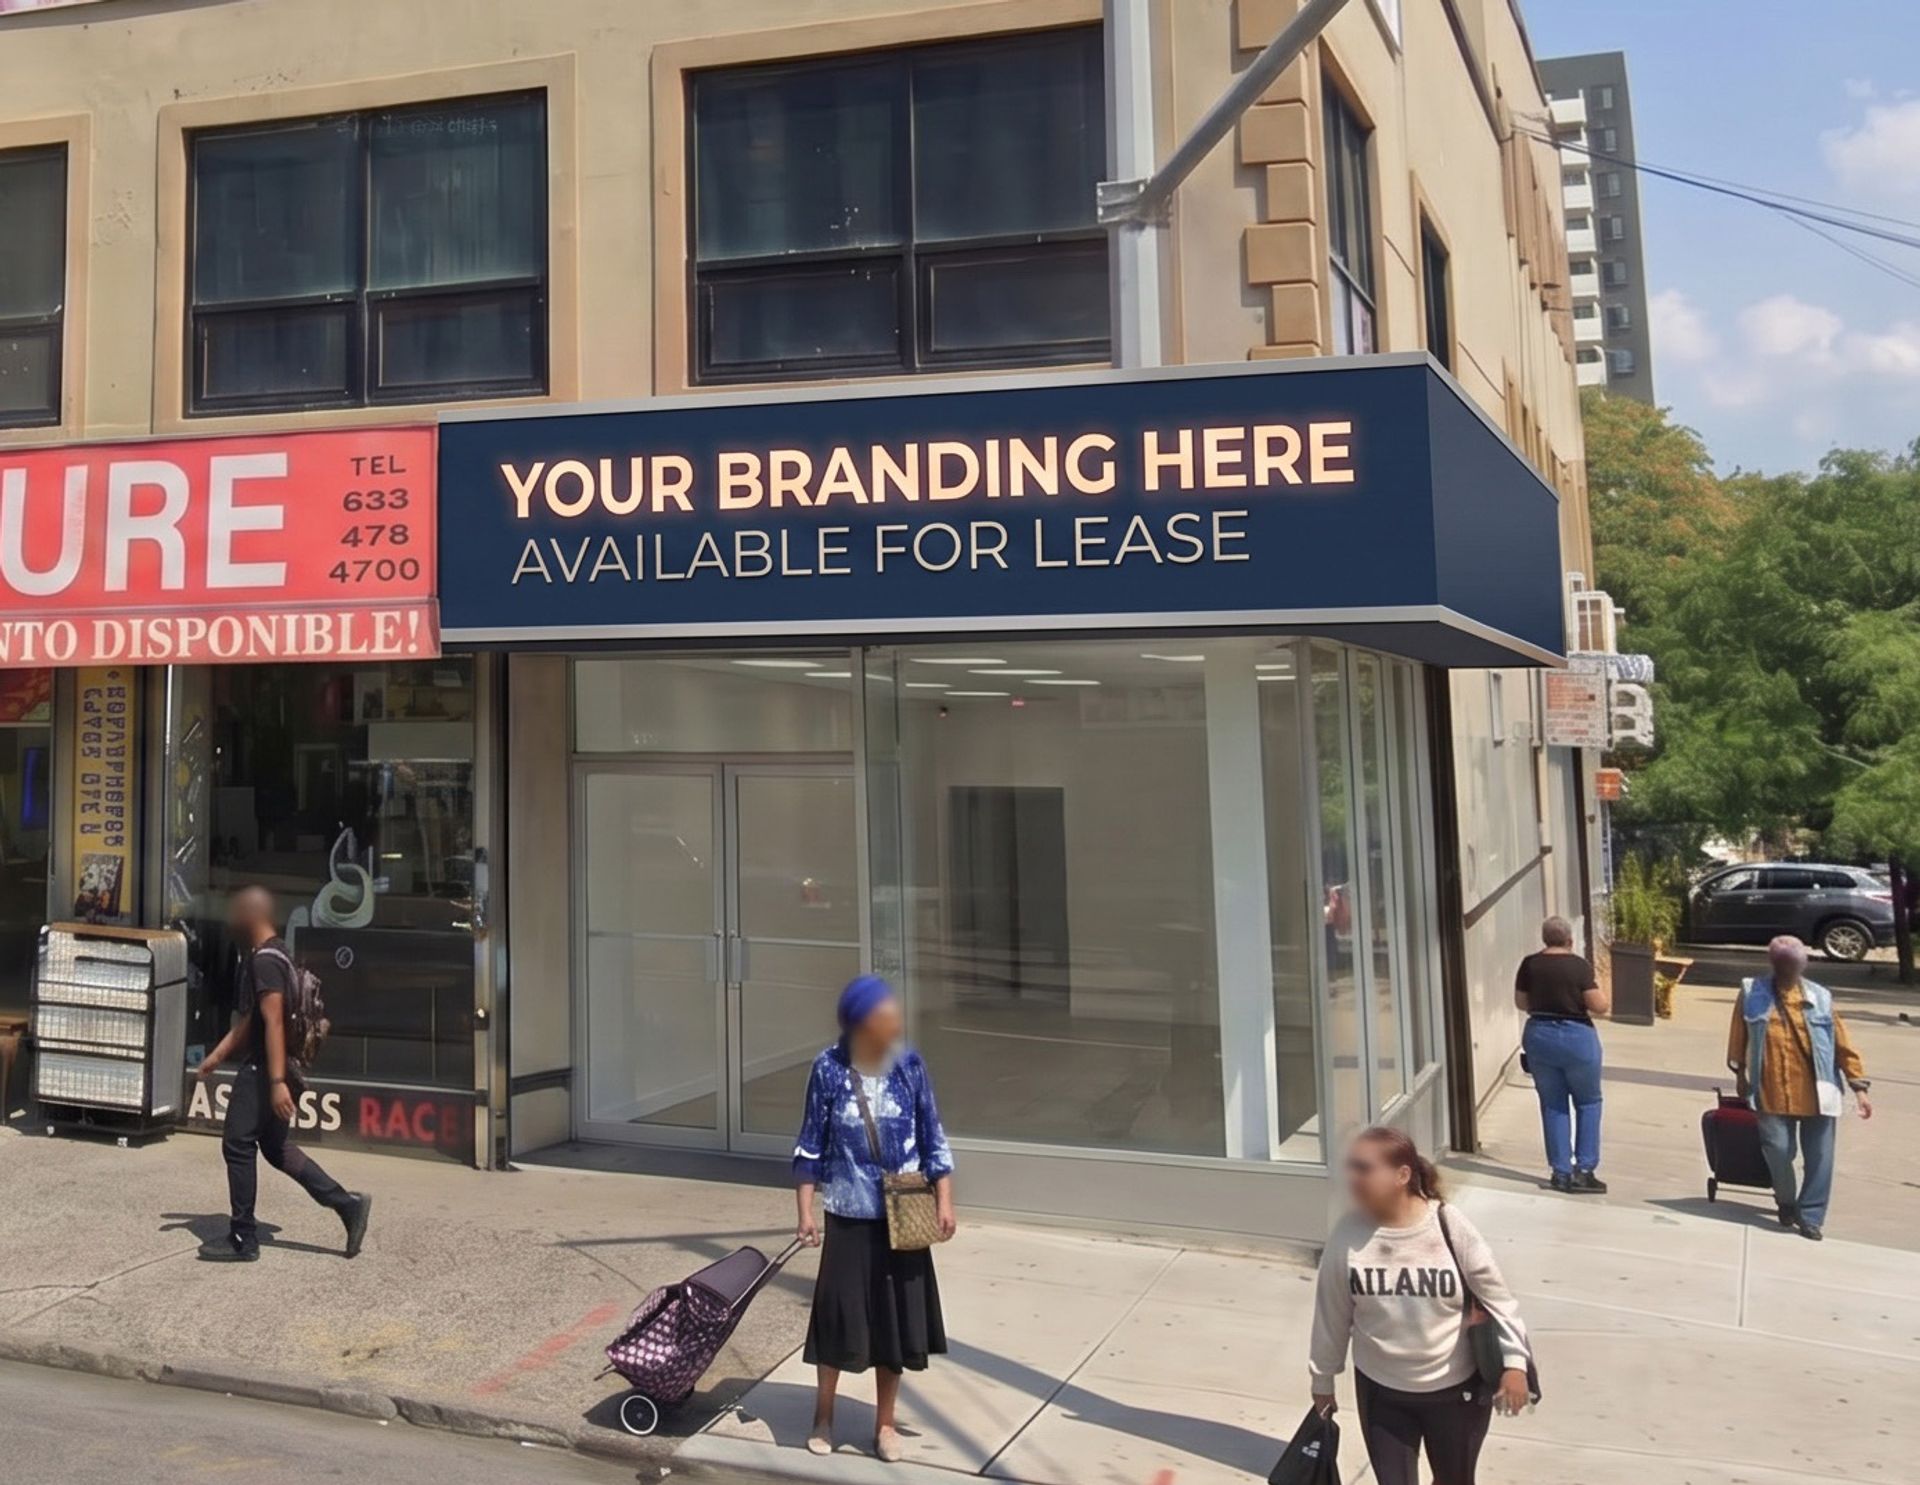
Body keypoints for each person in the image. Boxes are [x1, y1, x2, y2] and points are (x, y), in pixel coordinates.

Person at [1309, 1128, 1532, 1485]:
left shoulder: (1448, 1225)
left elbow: (1500, 1302)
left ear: (1402, 1175)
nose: (1353, 1178)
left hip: (1455, 1394)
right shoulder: (1348, 1234)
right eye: (1351, 1167)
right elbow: (1331, 1313)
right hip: (1382, 1393)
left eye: (1364, 1169)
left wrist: (1515, 1367)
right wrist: (1323, 1379)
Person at [793, 976, 955, 1464]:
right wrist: (805, 1211)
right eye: (883, 1014)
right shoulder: (828, 1068)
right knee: (837, 1320)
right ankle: (823, 1415)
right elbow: (810, 1144)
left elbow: (933, 1137)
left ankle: (885, 1425)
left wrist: (944, 1200)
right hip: (847, 1213)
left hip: (901, 1216)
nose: (893, 1021)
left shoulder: (909, 1066)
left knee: (892, 1326)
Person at [194, 886, 372, 1262]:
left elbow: (273, 1021)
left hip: (265, 1070)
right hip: (277, 1067)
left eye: (236, 914)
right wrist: (218, 1056)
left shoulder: (265, 962)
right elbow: (252, 1020)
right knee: (275, 1148)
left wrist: (276, 1083)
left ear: (251, 917)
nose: (231, 922)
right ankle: (347, 1204)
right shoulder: (276, 955)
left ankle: (243, 1238)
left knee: (237, 1144)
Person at [1727, 935, 1873, 1241]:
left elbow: (1843, 1044)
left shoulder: (1821, 997)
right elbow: (1738, 1036)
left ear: (1802, 965)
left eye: (1792, 964)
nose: (1788, 969)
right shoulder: (1752, 992)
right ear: (1774, 964)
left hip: (1818, 1092)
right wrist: (1740, 1075)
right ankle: (1786, 1200)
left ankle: (1811, 1217)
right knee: (1778, 1150)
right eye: (1783, 964)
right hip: (1770, 1090)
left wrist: (1859, 1087)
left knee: (1820, 1157)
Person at [1513, 916, 1610, 1194]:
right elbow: (1599, 1005)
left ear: (1544, 938)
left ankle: (1561, 1172)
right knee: (1588, 1102)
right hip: (1577, 1037)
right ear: (1569, 940)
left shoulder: (1529, 964)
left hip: (1539, 1035)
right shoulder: (1579, 966)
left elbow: (1521, 1002)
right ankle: (1585, 1170)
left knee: (1553, 1104)